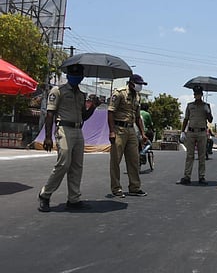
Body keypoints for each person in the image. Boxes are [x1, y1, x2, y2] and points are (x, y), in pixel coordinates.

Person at [37, 64, 100, 212]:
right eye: (73, 74)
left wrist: (93, 106)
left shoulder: (81, 95)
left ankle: (74, 199)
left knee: (77, 166)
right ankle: (45, 195)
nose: (76, 76)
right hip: (63, 129)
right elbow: (50, 114)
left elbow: (84, 116)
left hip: (78, 130)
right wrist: (47, 137)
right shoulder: (58, 91)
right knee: (63, 163)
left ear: (82, 77)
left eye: (78, 74)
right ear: (68, 74)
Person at [108, 74, 148, 198]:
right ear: (131, 83)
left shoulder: (137, 96)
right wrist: (112, 131)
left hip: (131, 129)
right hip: (119, 128)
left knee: (134, 159)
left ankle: (134, 187)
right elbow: (110, 112)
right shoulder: (119, 93)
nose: (140, 87)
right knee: (116, 160)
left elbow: (137, 117)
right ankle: (116, 188)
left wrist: (142, 133)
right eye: (139, 84)